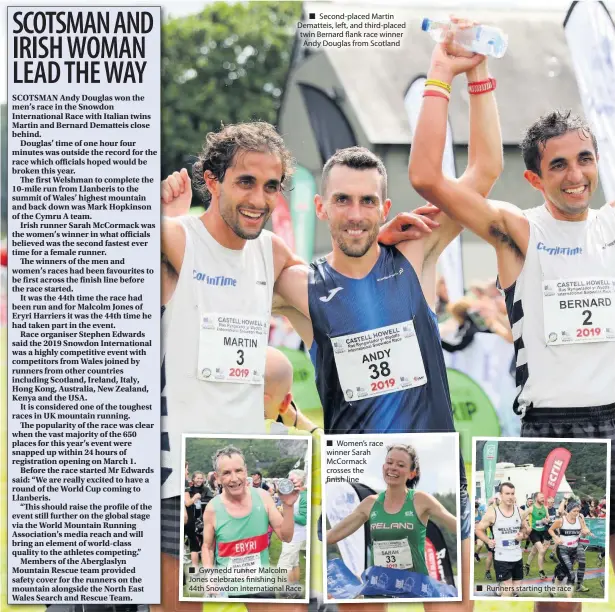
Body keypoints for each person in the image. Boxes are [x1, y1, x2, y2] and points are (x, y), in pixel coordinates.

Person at [271, 28, 503, 607]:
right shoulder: (300, 286)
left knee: (453, 600)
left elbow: (483, 173)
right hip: (357, 478)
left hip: (432, 463)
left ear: (384, 207)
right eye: (342, 200)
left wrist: (462, 75)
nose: (355, 214)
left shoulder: (416, 254)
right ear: (321, 207)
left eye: (367, 200)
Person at [404, 21, 615, 584]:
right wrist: (462, 74)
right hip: (551, 427)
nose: (576, 176)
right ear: (535, 176)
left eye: (585, 160)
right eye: (559, 165)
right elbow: (426, 174)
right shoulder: (518, 230)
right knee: (560, 586)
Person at [327, 444, 457, 597]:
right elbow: (332, 536)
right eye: (389, 462)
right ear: (383, 467)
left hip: (414, 587)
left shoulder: (421, 500)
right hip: (379, 588)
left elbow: (458, 526)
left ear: (411, 473)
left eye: (400, 465)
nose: (393, 468)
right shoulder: (370, 504)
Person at [201, 445, 299, 598]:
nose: (234, 478)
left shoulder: (263, 497)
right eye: (226, 473)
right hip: (229, 592)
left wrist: (288, 506)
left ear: (245, 471)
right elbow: (207, 547)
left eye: (238, 470)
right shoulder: (212, 508)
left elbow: (286, 537)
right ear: (218, 477)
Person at [475, 482, 531, 597]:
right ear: (501, 495)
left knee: (516, 590)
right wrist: (488, 540)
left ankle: (498, 592)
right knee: (509, 589)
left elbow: (525, 531)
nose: (510, 496)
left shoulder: (519, 512)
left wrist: (522, 535)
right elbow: (478, 529)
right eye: (507, 493)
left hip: (517, 556)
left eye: (512, 493)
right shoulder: (493, 513)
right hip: (501, 557)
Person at [549, 499, 593, 596]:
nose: (576, 513)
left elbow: (583, 531)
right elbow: (551, 530)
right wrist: (556, 537)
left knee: (562, 572)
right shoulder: (561, 520)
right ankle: (569, 600)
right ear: (568, 510)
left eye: (578, 511)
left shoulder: (579, 520)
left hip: (574, 549)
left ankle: (554, 589)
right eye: (574, 511)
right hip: (562, 549)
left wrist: (586, 532)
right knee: (571, 575)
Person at [277, 469, 309, 590]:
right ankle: (294, 586)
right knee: (294, 562)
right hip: (292, 534)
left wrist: (287, 513)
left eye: (291, 480)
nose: (288, 483)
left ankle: (287, 591)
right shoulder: (292, 494)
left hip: (296, 536)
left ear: (300, 481)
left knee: (284, 565)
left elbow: (304, 519)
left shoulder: (304, 496)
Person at [184, 471, 212, 568]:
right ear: (193, 479)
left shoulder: (206, 489)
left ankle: (197, 569)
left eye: (201, 478)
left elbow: (210, 500)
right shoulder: (188, 489)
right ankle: (194, 570)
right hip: (190, 518)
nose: (200, 480)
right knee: (193, 545)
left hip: (203, 518)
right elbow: (188, 502)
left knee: (199, 544)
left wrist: (200, 500)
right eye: (198, 478)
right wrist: (194, 499)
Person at [524, 492, 550, 580]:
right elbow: (522, 517)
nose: (543, 499)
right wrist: (527, 526)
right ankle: (541, 571)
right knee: (542, 550)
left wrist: (546, 520)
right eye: (541, 497)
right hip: (534, 532)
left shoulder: (545, 508)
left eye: (543, 497)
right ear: (536, 498)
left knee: (534, 552)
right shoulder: (531, 509)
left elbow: (548, 518)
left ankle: (527, 565)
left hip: (542, 532)